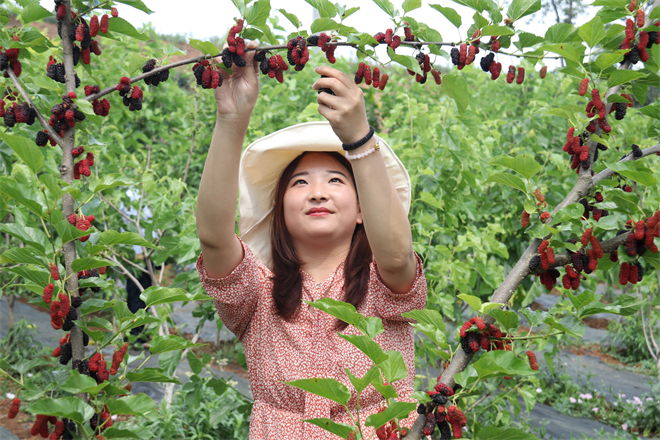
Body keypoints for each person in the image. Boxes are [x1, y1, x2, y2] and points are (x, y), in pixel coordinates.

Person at [195, 40, 427, 439]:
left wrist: (359, 140)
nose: (317, 193)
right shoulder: (258, 294)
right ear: (280, 212)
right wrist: (231, 119)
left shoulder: (381, 286)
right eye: (300, 183)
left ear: (361, 212)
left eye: (336, 181)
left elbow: (397, 254)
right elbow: (214, 239)